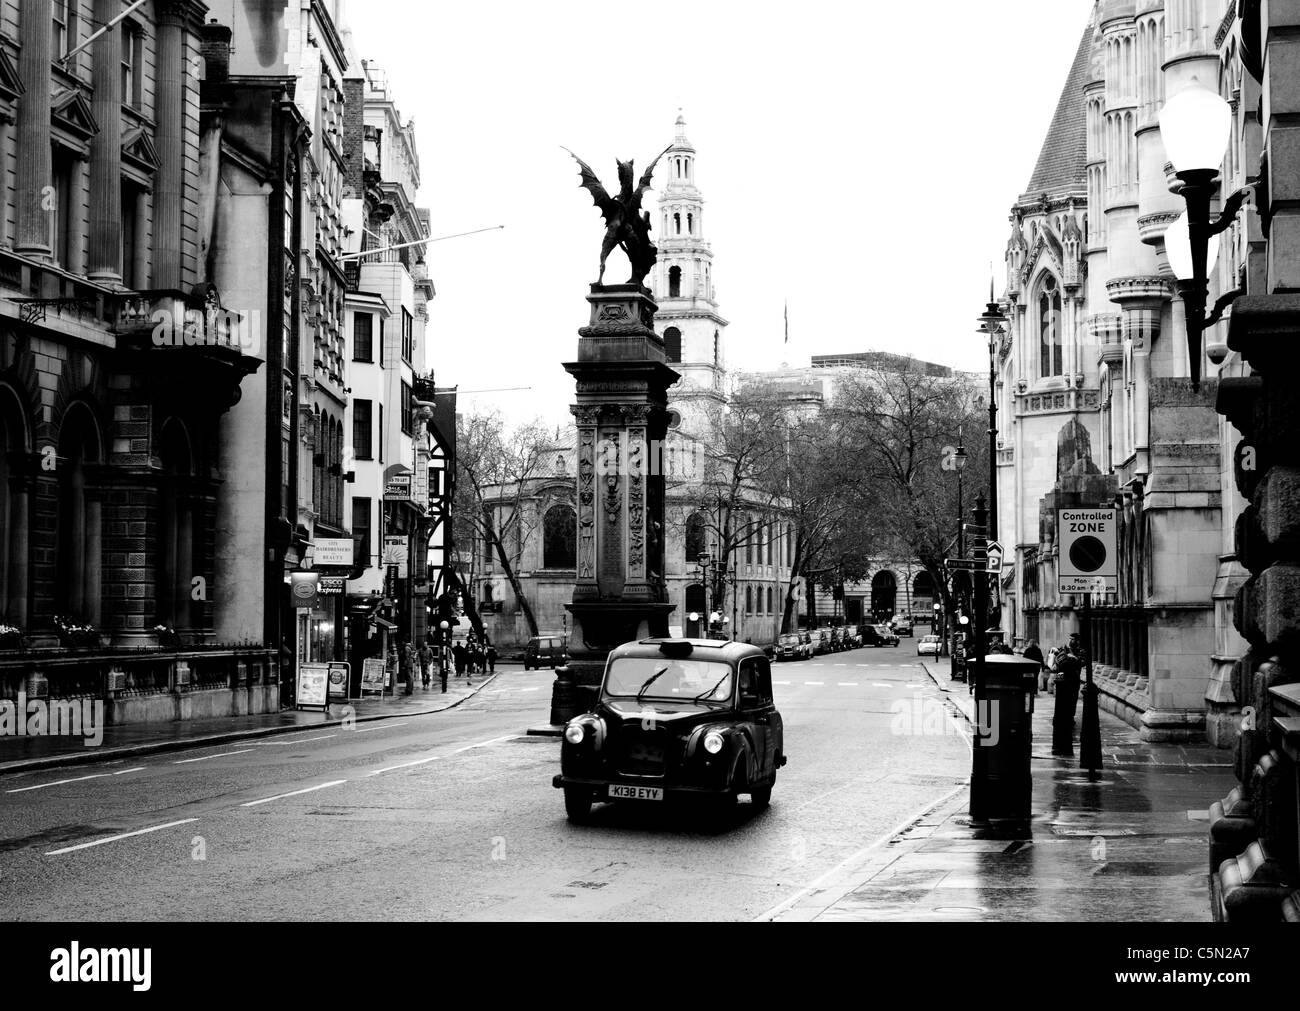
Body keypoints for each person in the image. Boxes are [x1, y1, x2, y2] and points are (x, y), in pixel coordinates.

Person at [1051, 633, 1085, 756]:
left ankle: (1071, 717)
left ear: (1077, 640)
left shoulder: (1080, 651)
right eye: (1070, 639)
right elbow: (1060, 661)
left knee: (1072, 701)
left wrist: (1071, 658)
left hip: (1074, 680)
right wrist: (1069, 657)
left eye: (1073, 639)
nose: (1071, 641)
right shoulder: (1064, 649)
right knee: (1062, 710)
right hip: (1064, 681)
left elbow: (1080, 662)